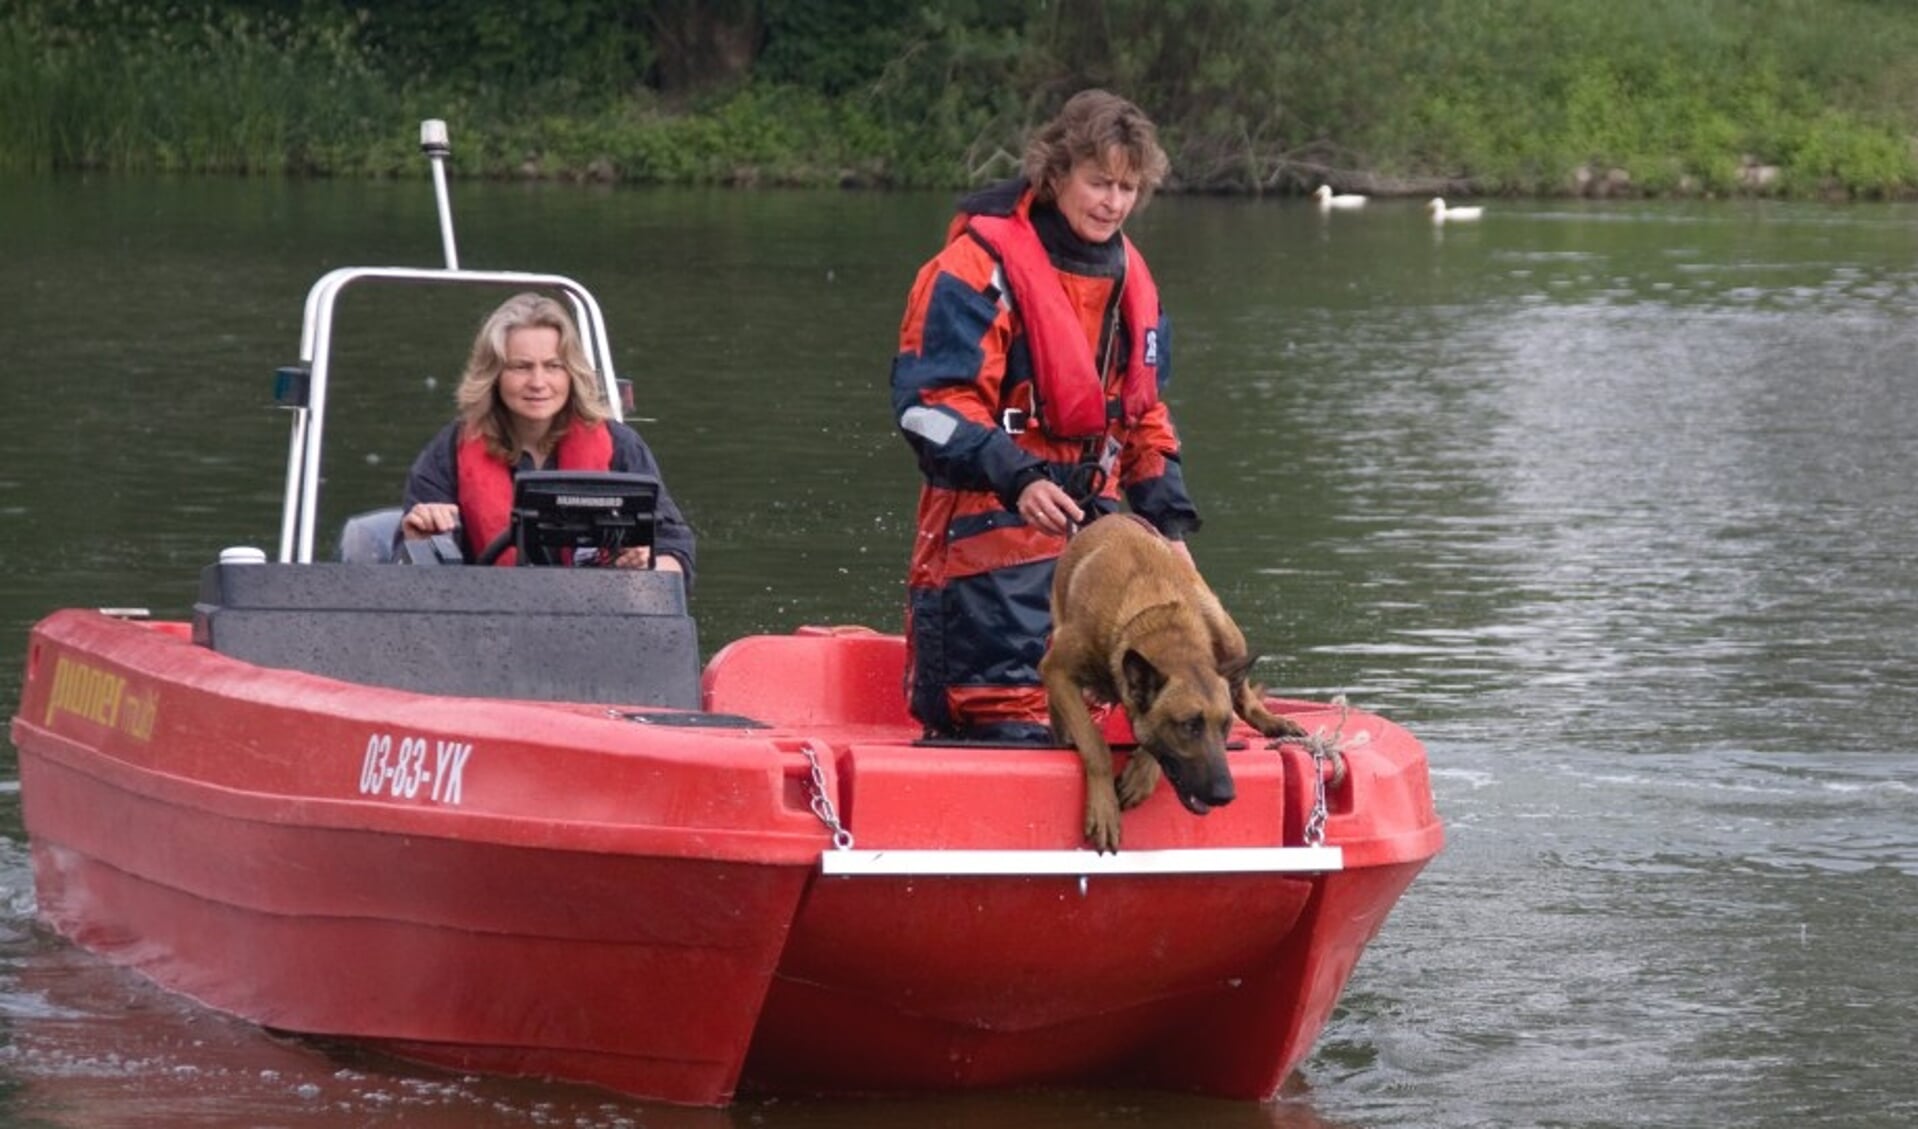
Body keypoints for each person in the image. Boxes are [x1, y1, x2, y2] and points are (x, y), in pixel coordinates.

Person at [889, 89, 1199, 743]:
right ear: (1056, 174)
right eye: (1098, 182)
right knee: (1006, 726)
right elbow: (928, 407)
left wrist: (1169, 524)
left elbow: (1142, 418)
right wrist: (1020, 476)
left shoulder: (1131, 282)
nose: (1112, 201)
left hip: (1099, 554)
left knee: (1131, 720)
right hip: (988, 558)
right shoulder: (974, 269)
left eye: (1126, 187)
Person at [400, 292, 696, 580]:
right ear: (493, 375)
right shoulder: (448, 452)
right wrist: (419, 540)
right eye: (521, 367)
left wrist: (646, 567)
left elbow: (675, 550)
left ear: (572, 373)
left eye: (553, 366)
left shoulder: (622, 446)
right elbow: (416, 578)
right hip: (488, 621)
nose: (538, 383)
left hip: (601, 617)